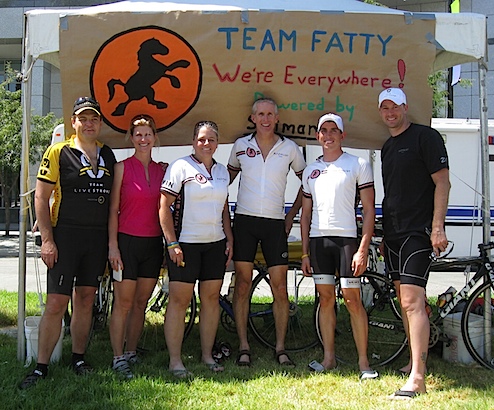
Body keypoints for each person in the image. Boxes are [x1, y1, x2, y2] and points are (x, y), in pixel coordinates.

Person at [20, 97, 116, 389]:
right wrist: (47, 239)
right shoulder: (59, 151)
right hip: (66, 236)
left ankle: (78, 357)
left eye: (94, 119)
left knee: (86, 299)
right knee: (56, 303)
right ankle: (40, 367)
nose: (89, 124)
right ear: (73, 121)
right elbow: (40, 196)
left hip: (96, 237)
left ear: (99, 123)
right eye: (83, 118)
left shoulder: (108, 155)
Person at [378, 88, 450, 399]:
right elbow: (393, 192)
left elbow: (443, 182)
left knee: (412, 302)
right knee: (403, 302)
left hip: (418, 232)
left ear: (406, 107)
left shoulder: (426, 137)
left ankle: (418, 379)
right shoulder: (387, 147)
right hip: (393, 234)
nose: (390, 112)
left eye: (395, 107)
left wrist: (437, 227)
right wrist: (383, 235)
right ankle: (412, 363)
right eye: (385, 108)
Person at [228, 97, 306, 367]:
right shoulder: (240, 146)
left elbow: (307, 184)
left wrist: (290, 215)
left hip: (274, 224)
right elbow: (223, 180)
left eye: (269, 114)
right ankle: (244, 345)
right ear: (253, 118)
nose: (264, 118)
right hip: (245, 222)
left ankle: (280, 347)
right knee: (243, 285)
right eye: (260, 114)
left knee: (280, 288)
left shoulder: (290, 149)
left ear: (276, 117)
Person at [300, 113, 378, 380]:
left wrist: (362, 248)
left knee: (352, 300)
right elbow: (306, 215)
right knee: (325, 300)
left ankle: (364, 363)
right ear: (317, 135)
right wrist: (305, 252)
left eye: (334, 130)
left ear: (342, 135)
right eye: (324, 130)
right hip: (319, 242)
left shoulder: (357, 164)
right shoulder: (310, 171)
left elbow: (369, 210)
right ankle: (328, 358)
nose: (329, 135)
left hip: (347, 241)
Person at [159, 121, 233, 377]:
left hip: (215, 244)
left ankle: (206, 356)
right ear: (193, 141)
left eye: (211, 139)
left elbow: (224, 208)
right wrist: (172, 242)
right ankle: (175, 361)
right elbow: (163, 207)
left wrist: (229, 239)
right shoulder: (180, 166)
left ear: (217, 142)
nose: (206, 144)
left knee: (211, 300)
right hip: (185, 245)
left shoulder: (223, 172)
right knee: (179, 302)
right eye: (201, 139)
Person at [107, 115, 164, 379]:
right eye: (138, 134)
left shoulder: (162, 170)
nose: (143, 139)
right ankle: (117, 357)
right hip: (126, 242)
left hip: (153, 244)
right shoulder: (121, 168)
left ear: (154, 137)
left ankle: (131, 351)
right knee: (124, 303)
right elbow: (113, 210)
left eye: (148, 134)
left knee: (141, 302)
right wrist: (113, 246)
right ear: (131, 137)